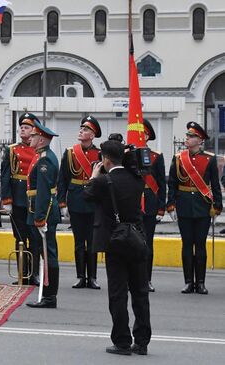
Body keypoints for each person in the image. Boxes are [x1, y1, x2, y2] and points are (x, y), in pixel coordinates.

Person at [84, 140, 151, 356]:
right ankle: (141, 342)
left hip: (116, 241)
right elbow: (136, 167)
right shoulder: (137, 179)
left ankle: (122, 341)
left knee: (118, 293)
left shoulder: (104, 181)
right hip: (138, 239)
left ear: (105, 159)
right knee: (140, 292)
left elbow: (87, 195)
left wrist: (94, 176)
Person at [167, 122, 222, 295]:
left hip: (202, 206)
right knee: (186, 244)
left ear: (199, 140)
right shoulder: (178, 158)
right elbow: (173, 183)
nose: (187, 139)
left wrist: (217, 206)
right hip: (184, 205)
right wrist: (171, 204)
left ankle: (201, 282)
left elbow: (215, 184)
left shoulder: (209, 159)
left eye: (191, 137)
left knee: (200, 245)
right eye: (188, 136)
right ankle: (188, 282)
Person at [58, 116, 102, 289]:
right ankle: (80, 276)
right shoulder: (70, 153)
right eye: (81, 129)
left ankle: (92, 277)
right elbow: (62, 180)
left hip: (93, 202)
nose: (81, 132)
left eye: (85, 130)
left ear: (92, 135)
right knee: (78, 242)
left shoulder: (99, 154)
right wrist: (62, 203)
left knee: (92, 242)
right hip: (76, 200)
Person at [25, 118, 61, 309]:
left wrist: (40, 218)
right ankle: (47, 295)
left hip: (43, 212)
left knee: (48, 254)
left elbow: (44, 191)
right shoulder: (40, 155)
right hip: (38, 210)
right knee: (44, 254)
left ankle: (49, 296)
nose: (30, 138)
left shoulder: (45, 158)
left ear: (41, 139)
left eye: (33, 135)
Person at [0, 113, 37, 285]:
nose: (23, 128)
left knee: (35, 238)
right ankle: (22, 274)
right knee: (20, 239)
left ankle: (34, 274)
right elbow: (6, 175)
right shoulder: (12, 149)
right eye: (21, 126)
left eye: (27, 127)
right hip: (17, 199)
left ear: (34, 130)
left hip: (34, 200)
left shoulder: (39, 149)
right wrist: (6, 200)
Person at [141, 119, 166, 292]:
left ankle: (146, 279)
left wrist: (161, 208)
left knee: (147, 244)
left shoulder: (156, 156)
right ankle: (132, 279)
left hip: (149, 205)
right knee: (131, 245)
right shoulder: (127, 155)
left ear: (147, 135)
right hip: (132, 204)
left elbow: (162, 184)